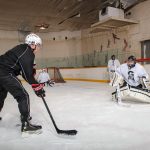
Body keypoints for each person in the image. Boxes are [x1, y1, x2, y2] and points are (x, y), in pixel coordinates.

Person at [0, 33, 45, 135]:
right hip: (5, 73)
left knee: (1, 95)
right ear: (33, 44)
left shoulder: (21, 48)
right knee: (23, 96)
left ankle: (25, 119)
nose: (39, 48)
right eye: (38, 45)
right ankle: (26, 125)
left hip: (2, 71)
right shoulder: (28, 52)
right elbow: (28, 75)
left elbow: (24, 73)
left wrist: (33, 82)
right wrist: (37, 87)